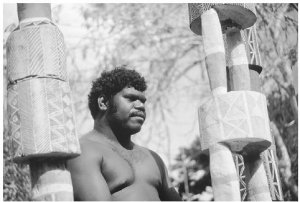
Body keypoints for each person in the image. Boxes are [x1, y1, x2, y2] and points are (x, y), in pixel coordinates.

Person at [67, 67, 182, 201]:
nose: (140, 106)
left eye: (143, 101)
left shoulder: (153, 158)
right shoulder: (84, 151)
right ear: (103, 102)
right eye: (131, 98)